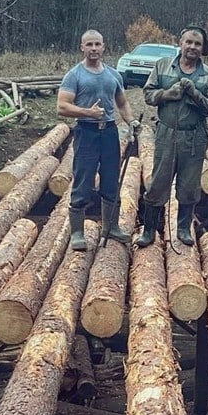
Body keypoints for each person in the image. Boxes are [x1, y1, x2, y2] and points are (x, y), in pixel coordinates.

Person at [136, 25, 208, 247]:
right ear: (180, 43)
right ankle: (149, 230)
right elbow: (147, 94)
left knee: (189, 185)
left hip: (194, 137)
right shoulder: (163, 66)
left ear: (202, 49)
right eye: (189, 42)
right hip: (166, 133)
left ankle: (183, 228)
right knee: (158, 183)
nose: (192, 47)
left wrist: (194, 93)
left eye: (197, 44)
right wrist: (167, 94)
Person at [57, 29, 141, 250]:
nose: (94, 49)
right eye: (89, 45)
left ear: (104, 47)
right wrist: (87, 113)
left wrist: (131, 121)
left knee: (111, 180)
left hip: (110, 133)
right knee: (83, 180)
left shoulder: (114, 75)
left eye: (97, 45)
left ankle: (111, 227)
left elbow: (122, 103)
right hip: (87, 132)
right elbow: (62, 106)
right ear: (82, 47)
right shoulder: (74, 75)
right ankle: (77, 232)